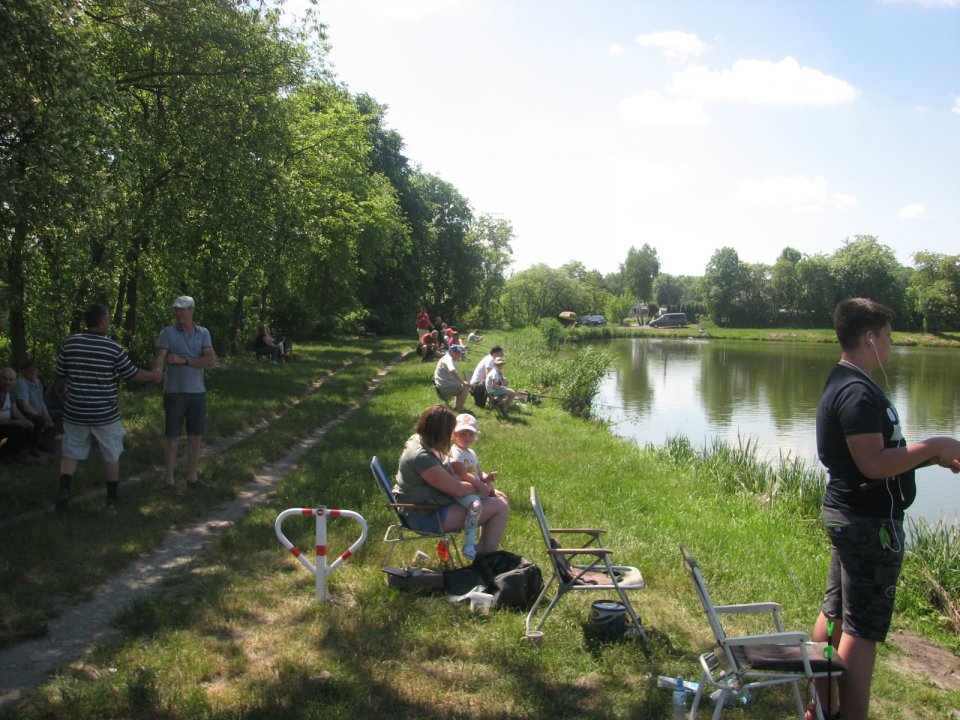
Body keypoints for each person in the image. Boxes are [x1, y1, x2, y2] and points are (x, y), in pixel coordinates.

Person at [808, 298, 960, 720]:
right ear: (870, 338)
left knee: (834, 612)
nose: (892, 343)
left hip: (849, 515)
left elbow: (874, 456)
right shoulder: (856, 392)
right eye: (888, 335)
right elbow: (873, 464)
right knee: (862, 627)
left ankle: (820, 707)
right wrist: (937, 445)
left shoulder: (846, 381)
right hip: (868, 523)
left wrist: (931, 458)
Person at [54, 304, 162, 509]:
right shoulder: (111, 347)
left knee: (70, 451)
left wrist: (61, 394)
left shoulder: (70, 344)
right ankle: (112, 498)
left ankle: (64, 492)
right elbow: (132, 374)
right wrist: (155, 375)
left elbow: (59, 377)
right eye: (108, 318)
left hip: (75, 410)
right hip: (105, 412)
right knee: (111, 453)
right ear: (102, 321)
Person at [393, 405, 509, 557]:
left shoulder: (421, 440)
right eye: (449, 432)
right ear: (439, 433)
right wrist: (484, 489)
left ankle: (482, 554)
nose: (451, 436)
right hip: (423, 516)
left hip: (427, 506)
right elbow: (457, 489)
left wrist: (489, 489)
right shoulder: (422, 458)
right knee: (500, 507)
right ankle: (485, 560)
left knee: (498, 500)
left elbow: (454, 473)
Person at [154, 295, 217, 490]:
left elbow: (210, 361)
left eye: (182, 309)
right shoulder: (168, 333)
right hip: (174, 392)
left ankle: (192, 477)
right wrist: (157, 371)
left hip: (197, 392)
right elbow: (161, 356)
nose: (178, 313)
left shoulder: (203, 333)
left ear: (191, 310)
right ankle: (169, 480)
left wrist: (185, 361)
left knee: (195, 437)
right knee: (173, 437)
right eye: (176, 309)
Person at [448, 413, 500, 559]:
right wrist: (480, 485)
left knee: (495, 501)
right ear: (454, 434)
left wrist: (486, 478)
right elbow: (463, 474)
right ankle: (469, 543)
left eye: (470, 434)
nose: (466, 438)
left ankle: (485, 544)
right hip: (462, 490)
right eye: (462, 434)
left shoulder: (471, 452)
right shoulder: (455, 452)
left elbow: (477, 472)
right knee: (475, 506)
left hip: (474, 488)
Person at [13, 357, 56, 453]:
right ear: (23, 371)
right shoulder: (21, 383)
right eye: (30, 370)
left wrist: (47, 416)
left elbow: (41, 401)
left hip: (39, 411)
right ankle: (31, 447)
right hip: (26, 413)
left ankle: (43, 441)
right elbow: (24, 405)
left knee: (58, 415)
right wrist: (38, 415)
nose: (33, 372)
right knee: (40, 420)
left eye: (35, 370)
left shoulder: (38, 382)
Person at [0, 367, 35, 463]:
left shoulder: (10, 392)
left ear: (15, 381)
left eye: (10, 380)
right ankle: (4, 455)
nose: (7, 382)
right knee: (17, 430)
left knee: (33, 423)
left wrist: (24, 420)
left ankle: (18, 453)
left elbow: (14, 410)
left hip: (7, 423)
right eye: (4, 379)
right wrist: (18, 423)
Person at [434, 344, 471, 412]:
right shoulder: (448, 359)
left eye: (460, 353)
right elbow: (452, 371)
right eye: (458, 353)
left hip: (443, 385)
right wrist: (462, 382)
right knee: (466, 387)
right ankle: (459, 408)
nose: (460, 355)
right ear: (451, 352)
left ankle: (457, 406)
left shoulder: (447, 358)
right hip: (444, 388)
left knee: (463, 385)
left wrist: (461, 382)